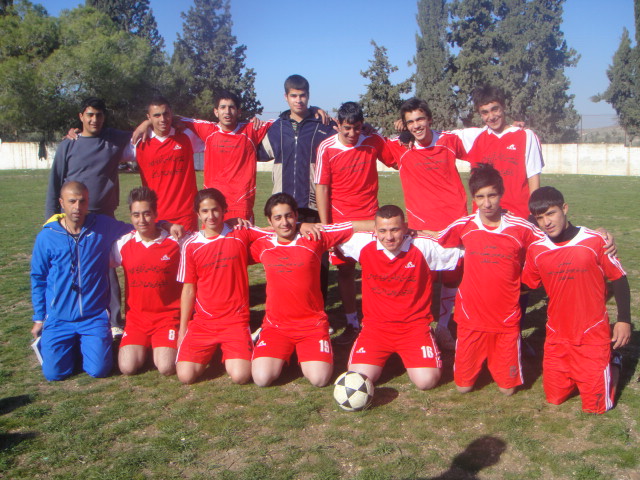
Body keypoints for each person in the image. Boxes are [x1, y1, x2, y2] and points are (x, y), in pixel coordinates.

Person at [521, 186, 631, 413]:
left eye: (551, 213)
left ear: (564, 208)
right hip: (557, 337)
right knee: (554, 398)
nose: (546, 222)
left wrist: (624, 320)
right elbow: (524, 286)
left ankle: (613, 361)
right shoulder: (536, 249)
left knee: (596, 408)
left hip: (592, 336)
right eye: (540, 218)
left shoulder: (595, 241)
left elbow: (619, 278)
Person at [437, 164, 544, 395]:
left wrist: (600, 234)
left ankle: (499, 361)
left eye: (492, 195)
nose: (487, 203)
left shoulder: (521, 228)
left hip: (505, 319)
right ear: (473, 198)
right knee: (463, 388)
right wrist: (410, 232)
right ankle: (478, 361)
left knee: (508, 390)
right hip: (470, 318)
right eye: (480, 197)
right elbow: (435, 240)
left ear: (501, 194)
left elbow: (551, 242)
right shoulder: (464, 226)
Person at [250, 193, 371, 388]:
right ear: (269, 221)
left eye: (289, 216)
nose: (284, 222)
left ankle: (302, 354)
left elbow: (351, 227)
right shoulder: (262, 245)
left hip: (311, 325)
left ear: (297, 216)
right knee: (262, 379)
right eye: (278, 217)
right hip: (276, 326)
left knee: (319, 379)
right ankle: (279, 351)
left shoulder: (314, 237)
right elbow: (235, 236)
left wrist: (397, 227)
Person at [337, 205, 463, 390]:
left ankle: (417, 351)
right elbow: (328, 231)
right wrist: (300, 226)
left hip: (414, 328)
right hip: (376, 329)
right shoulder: (362, 244)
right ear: (374, 229)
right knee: (357, 379)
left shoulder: (421, 245)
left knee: (426, 381)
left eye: (395, 229)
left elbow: (465, 247)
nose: (389, 237)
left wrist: (427, 233)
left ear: (405, 227)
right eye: (383, 230)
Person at [385, 97, 469, 350]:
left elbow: (482, 149)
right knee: (423, 281)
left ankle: (444, 328)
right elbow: (365, 138)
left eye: (420, 119)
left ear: (430, 119)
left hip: (453, 225)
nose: (416, 125)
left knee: (452, 279)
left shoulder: (449, 141)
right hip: (422, 230)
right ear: (404, 125)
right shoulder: (401, 148)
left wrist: (514, 128)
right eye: (410, 121)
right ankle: (420, 331)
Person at [45, 97, 134, 334]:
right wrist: (50, 220)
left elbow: (140, 132)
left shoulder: (113, 139)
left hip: (102, 216)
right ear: (81, 116)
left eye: (99, 115)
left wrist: (150, 123)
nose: (95, 120)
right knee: (71, 267)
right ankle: (69, 317)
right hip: (71, 218)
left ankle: (114, 322)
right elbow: (55, 183)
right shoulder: (68, 145)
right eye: (90, 115)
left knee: (107, 266)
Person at [31, 181, 135, 381]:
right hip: (58, 317)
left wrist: (165, 224)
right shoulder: (47, 236)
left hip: (93, 316)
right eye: (72, 201)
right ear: (62, 203)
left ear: (88, 203)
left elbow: (137, 228)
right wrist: (39, 318)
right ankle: (67, 346)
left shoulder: (102, 226)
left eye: (82, 201)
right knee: (55, 374)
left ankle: (88, 345)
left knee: (99, 371)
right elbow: (38, 278)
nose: (77, 207)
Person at [314, 101, 395, 344]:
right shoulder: (326, 148)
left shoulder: (372, 140)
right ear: (338, 124)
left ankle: (379, 322)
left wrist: (384, 133)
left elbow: (396, 159)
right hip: (341, 223)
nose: (352, 134)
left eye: (357, 128)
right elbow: (322, 188)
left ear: (363, 125)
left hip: (371, 221)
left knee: (377, 272)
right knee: (346, 271)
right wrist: (326, 227)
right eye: (347, 128)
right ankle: (352, 323)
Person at [176, 188, 266, 385]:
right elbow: (189, 289)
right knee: (185, 376)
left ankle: (243, 342)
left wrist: (301, 226)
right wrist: (183, 329)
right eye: (205, 211)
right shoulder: (191, 245)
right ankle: (214, 349)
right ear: (197, 214)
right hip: (203, 323)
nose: (211, 216)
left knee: (240, 376)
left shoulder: (239, 233)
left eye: (215, 210)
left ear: (224, 209)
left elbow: (271, 231)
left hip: (235, 321)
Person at [260, 74, 336, 301]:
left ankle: (319, 309)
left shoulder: (323, 126)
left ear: (308, 97)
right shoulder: (275, 128)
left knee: (317, 260)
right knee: (287, 261)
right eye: (294, 95)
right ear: (286, 97)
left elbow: (350, 131)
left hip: (313, 204)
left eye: (303, 95)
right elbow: (254, 149)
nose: (298, 100)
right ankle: (288, 307)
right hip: (283, 207)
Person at [111, 187, 183, 376]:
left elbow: (204, 240)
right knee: (127, 368)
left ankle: (160, 346)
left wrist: (167, 224)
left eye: (147, 214)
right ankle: (145, 346)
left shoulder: (176, 242)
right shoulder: (122, 244)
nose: (141, 220)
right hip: (137, 320)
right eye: (136, 215)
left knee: (166, 367)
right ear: (131, 216)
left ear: (156, 214)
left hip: (167, 318)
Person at [180, 90, 273, 222]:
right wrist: (146, 124)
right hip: (213, 203)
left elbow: (284, 121)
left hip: (241, 203)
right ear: (216, 112)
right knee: (214, 242)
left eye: (231, 107)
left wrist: (312, 111)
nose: (227, 111)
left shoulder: (251, 129)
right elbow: (172, 118)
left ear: (239, 111)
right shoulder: (208, 130)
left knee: (241, 242)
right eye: (222, 107)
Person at [456, 86, 543, 220]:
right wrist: (410, 135)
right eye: (485, 112)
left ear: (503, 107)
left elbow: (533, 178)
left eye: (495, 109)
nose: (491, 117)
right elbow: (436, 137)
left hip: (517, 217)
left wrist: (534, 214)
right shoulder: (475, 137)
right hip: (484, 219)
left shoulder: (526, 136)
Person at [134, 96, 201, 232]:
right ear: (149, 117)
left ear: (171, 113)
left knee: (186, 253)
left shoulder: (186, 136)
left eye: (166, 114)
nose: (162, 119)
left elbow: (216, 132)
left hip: (186, 215)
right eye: (156, 115)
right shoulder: (138, 143)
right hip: (156, 216)